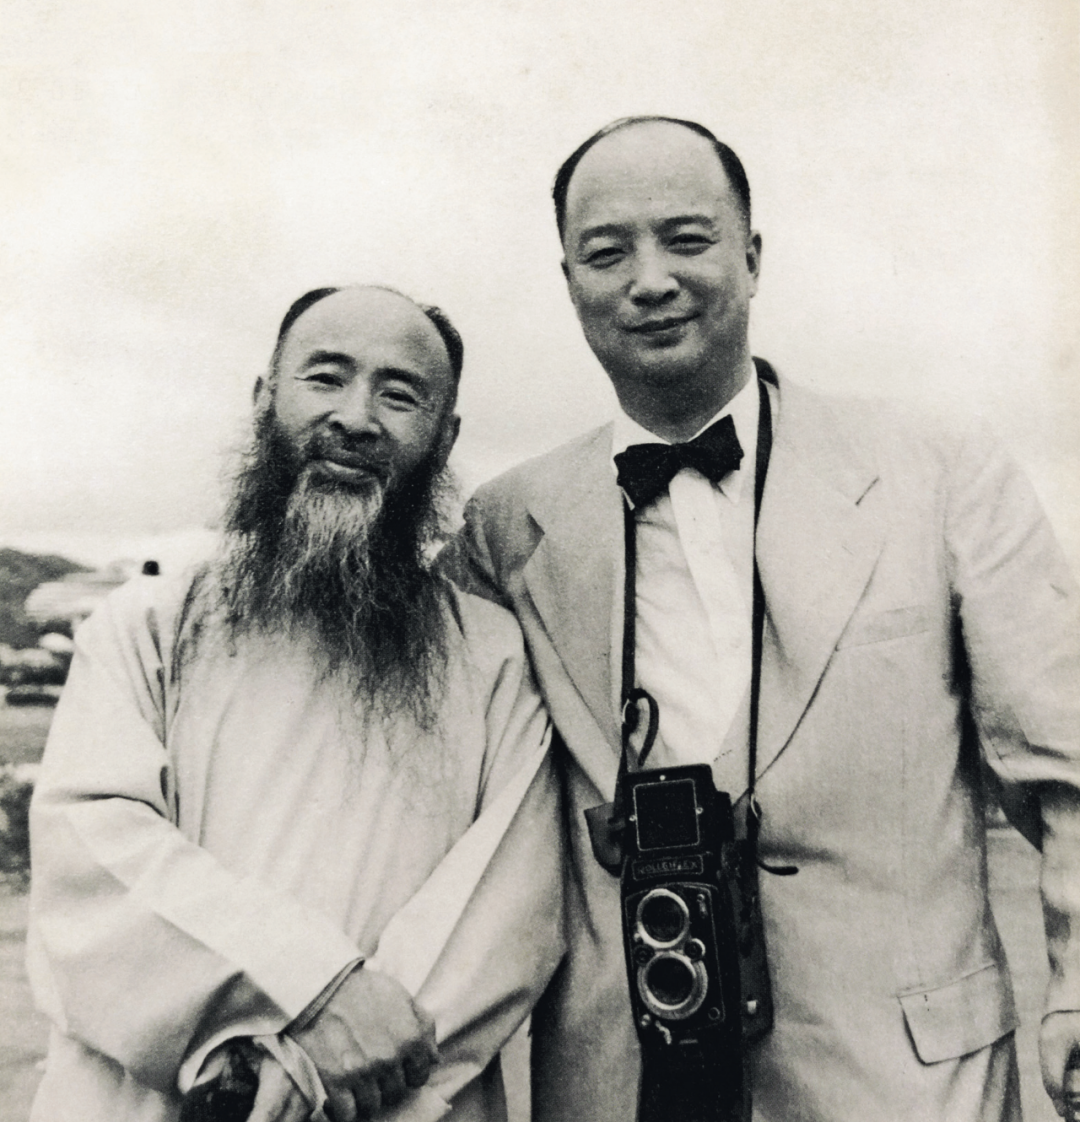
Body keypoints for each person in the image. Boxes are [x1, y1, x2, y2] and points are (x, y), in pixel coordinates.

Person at [441, 117, 1080, 1121]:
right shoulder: (504, 526)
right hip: (623, 1082)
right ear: (568, 283)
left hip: (906, 1085)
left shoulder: (938, 467)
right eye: (607, 252)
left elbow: (1065, 763)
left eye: (687, 239)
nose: (650, 280)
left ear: (753, 255)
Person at [27, 285, 563, 1122]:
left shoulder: (494, 656)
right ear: (263, 399)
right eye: (325, 377)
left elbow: (504, 912)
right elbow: (90, 853)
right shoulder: (150, 622)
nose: (356, 417)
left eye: (399, 394)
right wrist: (310, 989)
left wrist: (315, 1072)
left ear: (445, 437)